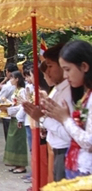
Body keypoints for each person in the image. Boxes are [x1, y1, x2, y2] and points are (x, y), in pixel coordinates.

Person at [41, 40, 92, 179]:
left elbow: (89, 142)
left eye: (68, 69)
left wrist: (65, 119)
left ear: (84, 66)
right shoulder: (87, 95)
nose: (65, 75)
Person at [23, 44, 74, 182]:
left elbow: (70, 134)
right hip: (57, 148)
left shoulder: (69, 93)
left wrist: (43, 119)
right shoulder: (58, 90)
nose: (48, 72)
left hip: (65, 150)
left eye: (50, 66)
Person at [1, 71, 28, 174]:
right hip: (13, 117)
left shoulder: (22, 91)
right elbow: (15, 103)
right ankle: (16, 163)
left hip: (19, 118)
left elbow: (23, 105)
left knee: (19, 141)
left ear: (17, 79)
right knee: (13, 141)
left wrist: (10, 109)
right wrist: (8, 105)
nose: (10, 80)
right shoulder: (16, 90)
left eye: (12, 78)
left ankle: (22, 165)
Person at [0, 63, 18, 141]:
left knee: (9, 139)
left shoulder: (9, 85)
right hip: (17, 114)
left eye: (6, 72)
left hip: (8, 113)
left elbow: (0, 96)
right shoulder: (19, 84)